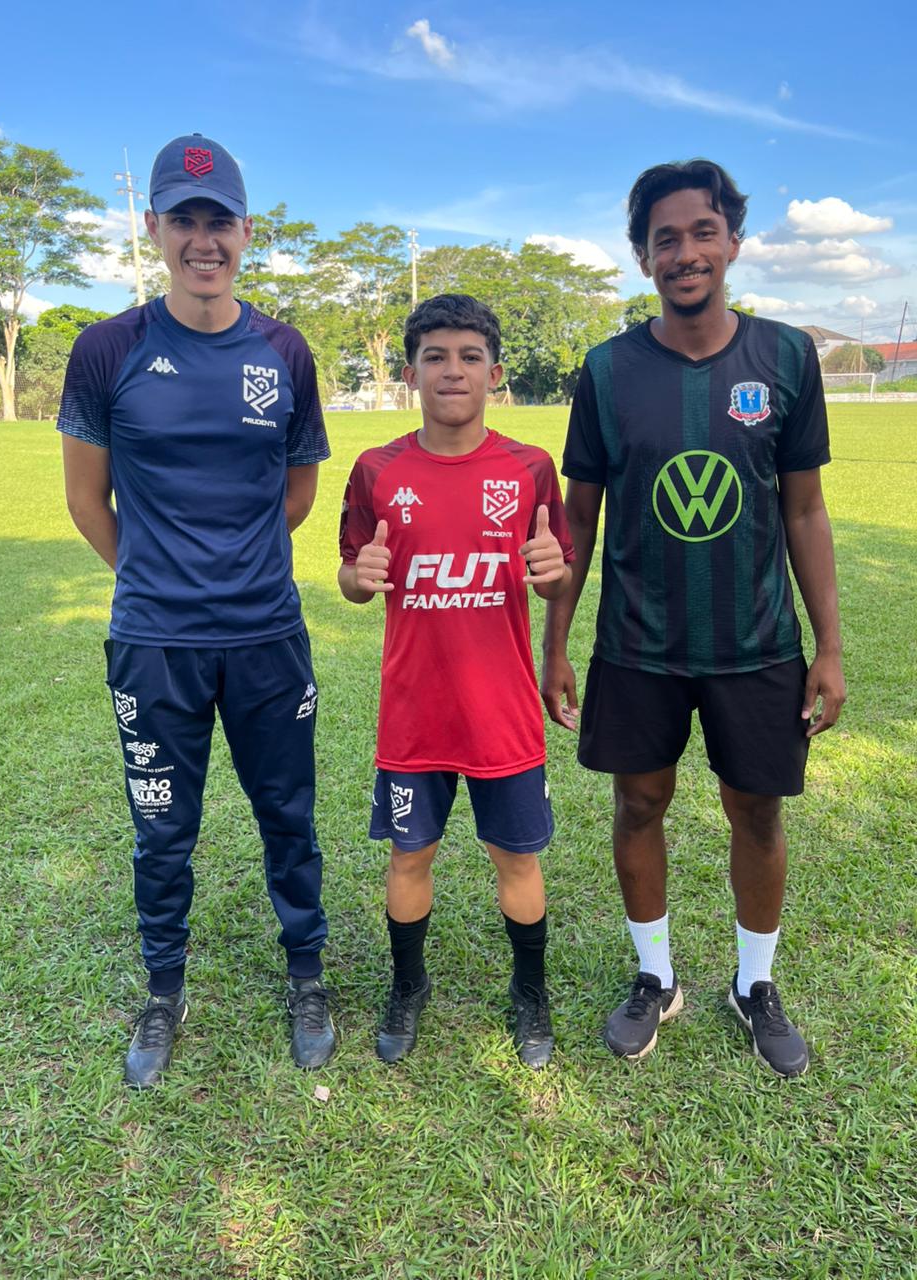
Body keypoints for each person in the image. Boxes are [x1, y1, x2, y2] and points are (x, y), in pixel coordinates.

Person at [543, 160, 846, 1077]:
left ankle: (755, 985)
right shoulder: (607, 371)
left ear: (733, 243)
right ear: (643, 257)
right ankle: (655, 977)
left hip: (756, 643)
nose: (685, 253)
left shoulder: (785, 357)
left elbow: (804, 511)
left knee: (757, 811)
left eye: (702, 232)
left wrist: (829, 647)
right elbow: (579, 520)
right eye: (664, 238)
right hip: (638, 645)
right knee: (639, 802)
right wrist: (554, 645)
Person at [58, 132, 336, 1087]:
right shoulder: (108, 349)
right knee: (162, 830)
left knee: (287, 816)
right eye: (185, 219)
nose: (203, 239)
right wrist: (158, 577)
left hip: (266, 637)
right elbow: (86, 500)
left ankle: (307, 976)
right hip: (154, 644)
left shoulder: (284, 350)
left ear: (247, 232)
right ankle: (165, 989)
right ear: (154, 228)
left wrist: (235, 566)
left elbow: (296, 493)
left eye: (220, 221)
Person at [338, 294, 574, 1069]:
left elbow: (554, 574)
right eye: (435, 356)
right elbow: (353, 575)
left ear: (495, 374)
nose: (453, 370)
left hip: (502, 713)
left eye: (470, 357)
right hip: (415, 714)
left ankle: (530, 993)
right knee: (409, 859)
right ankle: (408, 986)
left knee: (519, 861)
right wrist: (357, 577)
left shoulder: (529, 469)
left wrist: (552, 572)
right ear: (410, 374)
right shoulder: (377, 471)